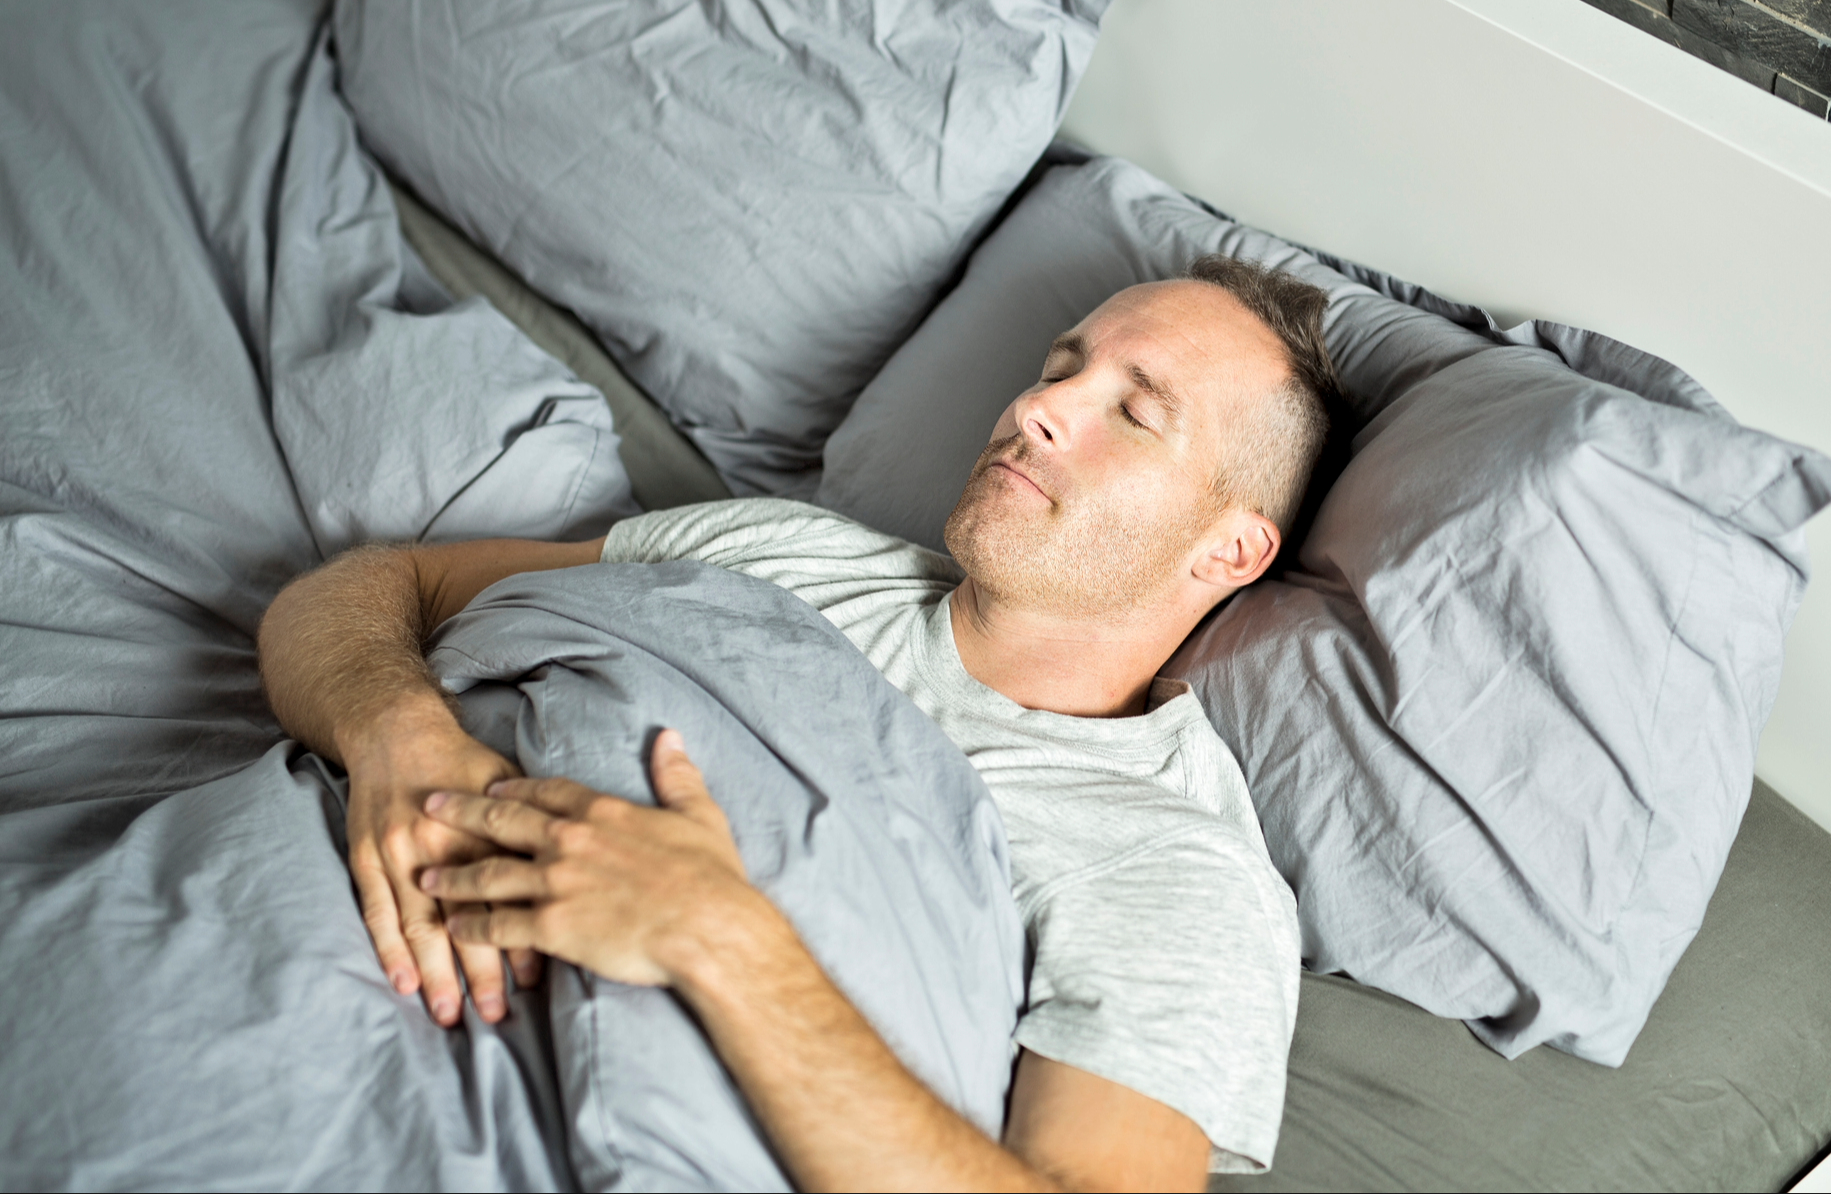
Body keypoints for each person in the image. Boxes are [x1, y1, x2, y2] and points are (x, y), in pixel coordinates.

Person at [257, 254, 1339, 1192]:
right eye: (1061, 369)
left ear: (1229, 553)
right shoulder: (787, 550)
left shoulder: (1175, 869)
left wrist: (721, 940)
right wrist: (395, 730)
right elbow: (369, 590)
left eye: (1135, 413)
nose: (1037, 409)